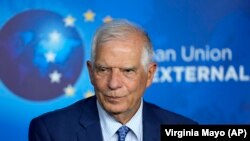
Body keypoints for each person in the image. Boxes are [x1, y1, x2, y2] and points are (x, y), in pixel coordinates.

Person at [29, 19, 198, 141]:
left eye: (127, 71)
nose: (114, 83)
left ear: (149, 74)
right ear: (91, 72)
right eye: (103, 70)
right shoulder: (50, 132)